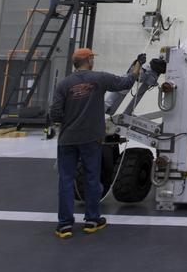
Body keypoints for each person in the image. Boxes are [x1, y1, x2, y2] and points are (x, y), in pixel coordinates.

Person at [48, 48, 140, 239]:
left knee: (65, 180)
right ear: (89, 60)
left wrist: (67, 122)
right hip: (91, 139)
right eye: (92, 58)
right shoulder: (99, 79)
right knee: (92, 178)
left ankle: (64, 225)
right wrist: (137, 66)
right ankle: (92, 220)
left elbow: (55, 113)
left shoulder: (64, 84)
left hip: (67, 140)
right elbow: (125, 82)